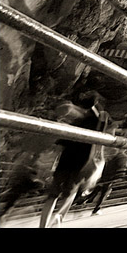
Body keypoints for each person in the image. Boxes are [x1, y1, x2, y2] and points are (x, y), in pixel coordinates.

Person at [39, 92, 110, 228]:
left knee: (53, 195)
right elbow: (100, 139)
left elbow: (60, 144)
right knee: (69, 194)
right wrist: (100, 160)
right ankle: (57, 221)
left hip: (66, 160)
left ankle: (44, 226)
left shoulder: (75, 121)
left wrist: (51, 163)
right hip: (81, 162)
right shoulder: (99, 119)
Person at [80, 148, 127, 215]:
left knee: (95, 191)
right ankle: (96, 209)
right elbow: (122, 166)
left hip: (103, 177)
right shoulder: (124, 156)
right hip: (110, 178)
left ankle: (82, 201)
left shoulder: (112, 156)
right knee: (103, 194)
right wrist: (119, 177)